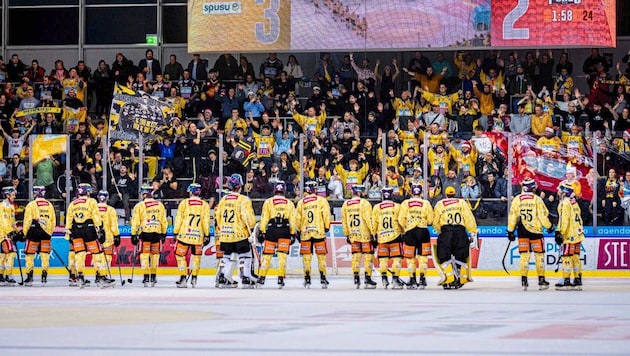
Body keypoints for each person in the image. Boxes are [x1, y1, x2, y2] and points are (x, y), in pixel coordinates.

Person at [506, 179, 554, 291]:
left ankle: (524, 280)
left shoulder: (517, 199)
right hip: (536, 231)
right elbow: (543, 216)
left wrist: (510, 230)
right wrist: (549, 227)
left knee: (524, 256)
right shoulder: (537, 199)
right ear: (532, 188)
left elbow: (512, 216)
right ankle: (541, 280)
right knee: (539, 256)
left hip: (522, 230)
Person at [65, 183, 114, 288]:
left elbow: (68, 220)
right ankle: (100, 277)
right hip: (89, 229)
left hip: (76, 230)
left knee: (79, 254)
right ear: (87, 192)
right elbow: (96, 216)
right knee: (97, 253)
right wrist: (100, 230)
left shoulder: (73, 204)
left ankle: (80, 277)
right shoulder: (91, 201)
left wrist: (69, 233)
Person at [214, 174, 257, 288]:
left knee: (226, 255)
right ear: (241, 186)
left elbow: (217, 216)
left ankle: (222, 277)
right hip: (240, 233)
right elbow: (248, 217)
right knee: (245, 255)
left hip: (225, 234)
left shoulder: (223, 200)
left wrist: (221, 229)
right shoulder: (243, 200)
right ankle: (245, 277)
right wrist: (252, 229)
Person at [432, 186, 478, 289]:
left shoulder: (440, 204)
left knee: (444, 256)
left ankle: (449, 279)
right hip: (460, 232)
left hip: (446, 232)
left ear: (446, 194)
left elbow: (435, 222)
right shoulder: (461, 202)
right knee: (461, 256)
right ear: (455, 193)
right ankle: (460, 279)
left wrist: (441, 231)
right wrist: (472, 232)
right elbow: (469, 218)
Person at [257, 181, 297, 288]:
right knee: (282, 256)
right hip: (284, 229)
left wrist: (262, 231)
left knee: (267, 256)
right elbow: (293, 220)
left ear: (274, 190)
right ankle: (280, 279)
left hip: (272, 229)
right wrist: (293, 233)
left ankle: (261, 278)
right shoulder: (289, 203)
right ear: (284, 190)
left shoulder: (268, 202)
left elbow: (264, 217)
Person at [173, 183, 211, 288]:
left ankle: (183, 278)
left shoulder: (184, 203)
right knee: (196, 257)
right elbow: (206, 221)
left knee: (180, 256)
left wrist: (175, 232)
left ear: (190, 192)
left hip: (184, 234)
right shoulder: (205, 205)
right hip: (198, 235)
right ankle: (194, 278)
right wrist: (206, 234)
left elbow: (179, 219)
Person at [130, 184, 168, 288]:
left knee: (144, 255)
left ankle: (146, 277)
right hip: (157, 232)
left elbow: (135, 222)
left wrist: (133, 234)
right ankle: (154, 276)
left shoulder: (139, 206)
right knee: (155, 256)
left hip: (145, 233)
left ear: (144, 194)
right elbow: (164, 221)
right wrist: (164, 233)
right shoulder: (160, 205)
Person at [295, 181, 331, 288]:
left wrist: (298, 230)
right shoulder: (322, 201)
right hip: (319, 232)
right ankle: (323, 278)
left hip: (305, 233)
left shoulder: (301, 202)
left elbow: (297, 219)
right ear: (315, 190)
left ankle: (307, 279)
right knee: (321, 257)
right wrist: (327, 226)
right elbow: (326, 215)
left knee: (306, 257)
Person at [398, 183, 434, 289]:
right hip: (423, 230)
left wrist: (406, 228)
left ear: (411, 192)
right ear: (421, 192)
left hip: (410, 231)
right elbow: (431, 220)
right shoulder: (426, 203)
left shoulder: (405, 203)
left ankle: (412, 279)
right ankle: (422, 279)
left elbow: (401, 219)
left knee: (410, 257)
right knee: (423, 257)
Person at [341, 184, 376, 289]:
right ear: (360, 192)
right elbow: (369, 219)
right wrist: (374, 233)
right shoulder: (365, 203)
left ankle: (356, 278)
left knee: (355, 257)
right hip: (365, 234)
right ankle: (367, 278)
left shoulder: (346, 204)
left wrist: (347, 234)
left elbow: (344, 221)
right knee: (368, 257)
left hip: (353, 234)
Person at [22, 186, 56, 286]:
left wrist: (25, 233)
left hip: (34, 232)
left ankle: (30, 275)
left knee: (29, 255)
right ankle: (44, 275)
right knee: (45, 255)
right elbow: (53, 221)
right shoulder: (49, 205)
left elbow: (27, 220)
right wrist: (50, 232)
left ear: (35, 193)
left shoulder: (31, 205)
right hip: (46, 233)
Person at [372, 186, 404, 289]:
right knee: (396, 259)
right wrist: (403, 231)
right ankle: (395, 279)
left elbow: (374, 223)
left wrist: (374, 235)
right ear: (392, 195)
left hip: (382, 236)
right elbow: (401, 221)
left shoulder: (377, 207)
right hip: (395, 236)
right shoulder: (397, 206)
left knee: (383, 260)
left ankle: (384, 279)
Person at [555, 183, 585, 291]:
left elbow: (564, 219)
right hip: (578, 234)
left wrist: (560, 232)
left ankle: (566, 281)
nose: (558, 192)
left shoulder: (564, 203)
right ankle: (577, 280)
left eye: (560, 191)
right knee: (575, 257)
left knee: (566, 257)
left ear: (564, 192)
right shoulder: (574, 202)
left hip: (569, 235)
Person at [96, 191, 120, 278]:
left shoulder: (93, 208)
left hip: (95, 236)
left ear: (98, 197)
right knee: (107, 257)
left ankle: (98, 275)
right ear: (107, 198)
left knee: (97, 256)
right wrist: (117, 235)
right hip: (108, 237)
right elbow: (114, 226)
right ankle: (104, 275)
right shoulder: (111, 210)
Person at [0, 186, 20, 286]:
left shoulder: (11, 206)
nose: (14, 196)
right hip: (3, 235)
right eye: (12, 195)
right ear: (7, 195)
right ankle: (8, 275)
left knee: (4, 255)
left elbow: (12, 221)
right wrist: (9, 232)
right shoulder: (2, 206)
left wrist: (17, 231)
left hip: (7, 234)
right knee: (10, 254)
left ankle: (2, 275)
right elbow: (3, 221)